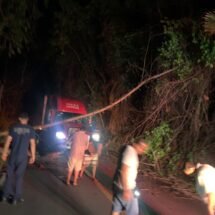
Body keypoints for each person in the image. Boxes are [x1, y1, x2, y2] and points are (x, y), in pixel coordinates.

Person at [1, 112, 36, 205]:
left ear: (19, 119)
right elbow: (32, 143)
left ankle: (5, 195)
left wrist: (4, 153)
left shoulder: (13, 127)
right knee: (19, 177)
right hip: (22, 157)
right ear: (27, 119)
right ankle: (16, 198)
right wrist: (33, 156)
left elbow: (8, 141)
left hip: (13, 155)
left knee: (9, 175)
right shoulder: (31, 129)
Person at [111, 138, 149, 215]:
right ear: (135, 144)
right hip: (126, 188)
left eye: (145, 149)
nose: (143, 150)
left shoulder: (128, 151)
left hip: (118, 186)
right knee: (133, 212)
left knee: (116, 210)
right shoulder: (130, 153)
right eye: (142, 147)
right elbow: (123, 171)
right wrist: (126, 190)